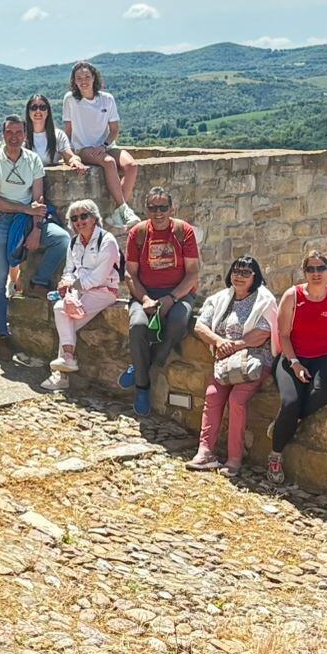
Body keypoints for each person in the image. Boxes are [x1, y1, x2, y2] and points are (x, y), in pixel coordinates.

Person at [0, 113, 67, 362]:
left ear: (25, 135)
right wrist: (24, 209)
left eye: (19, 132)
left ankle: (38, 281)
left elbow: (38, 199)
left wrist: (36, 227)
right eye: (10, 132)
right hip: (0, 220)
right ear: (3, 135)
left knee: (61, 239)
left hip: (29, 219)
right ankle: (3, 334)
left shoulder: (32, 161)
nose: (14, 137)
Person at [270, 247, 327, 481]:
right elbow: (284, 335)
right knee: (291, 402)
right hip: (294, 355)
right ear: (304, 272)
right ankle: (275, 455)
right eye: (311, 269)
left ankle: (285, 424)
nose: (316, 273)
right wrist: (295, 363)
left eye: (321, 268)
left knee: (320, 392)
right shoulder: (293, 296)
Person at [188, 257, 278, 474]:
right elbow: (200, 325)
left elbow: (263, 333)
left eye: (246, 272)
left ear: (255, 277)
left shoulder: (263, 300)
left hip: (253, 360)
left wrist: (235, 345)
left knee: (237, 400)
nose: (239, 276)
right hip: (226, 361)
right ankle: (205, 452)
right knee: (212, 395)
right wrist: (219, 342)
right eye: (236, 271)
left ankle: (234, 459)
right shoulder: (221, 298)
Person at [120, 186, 201, 416]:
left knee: (178, 321)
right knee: (137, 327)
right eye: (153, 207)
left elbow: (193, 272)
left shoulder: (183, 231)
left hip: (179, 292)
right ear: (146, 209)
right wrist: (145, 298)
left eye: (163, 207)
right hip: (145, 292)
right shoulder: (138, 233)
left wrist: (172, 298)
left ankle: (145, 366)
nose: (158, 213)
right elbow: (130, 275)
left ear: (171, 208)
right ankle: (142, 387)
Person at [44, 200, 121, 392]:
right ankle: (67, 362)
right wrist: (66, 283)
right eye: (74, 218)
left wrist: (73, 285)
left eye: (84, 216)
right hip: (80, 290)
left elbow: (98, 276)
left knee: (64, 317)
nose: (79, 221)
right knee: (63, 314)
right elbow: (69, 269)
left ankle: (62, 372)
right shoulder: (73, 242)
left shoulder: (107, 241)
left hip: (104, 291)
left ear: (94, 218)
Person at [64, 61, 139, 227]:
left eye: (87, 77)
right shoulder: (70, 99)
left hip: (106, 146)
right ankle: (123, 210)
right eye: (79, 78)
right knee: (108, 162)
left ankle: (119, 211)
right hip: (83, 148)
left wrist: (104, 145)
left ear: (94, 78)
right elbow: (68, 129)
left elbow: (114, 129)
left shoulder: (107, 99)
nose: (83, 81)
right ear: (74, 81)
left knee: (132, 165)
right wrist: (68, 154)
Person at [20, 93, 79, 168]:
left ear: (48, 111)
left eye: (42, 107)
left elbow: (69, 156)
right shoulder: (19, 135)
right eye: (34, 107)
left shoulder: (58, 135)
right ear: (28, 112)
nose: (38, 111)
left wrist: (75, 160)